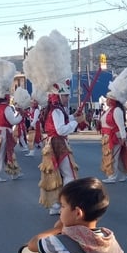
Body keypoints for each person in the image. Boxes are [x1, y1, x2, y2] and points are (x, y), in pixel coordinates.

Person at [38, 86, 83, 215]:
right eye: (65, 96)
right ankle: (64, 203)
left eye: (68, 95)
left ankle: (56, 205)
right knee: (69, 175)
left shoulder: (54, 109)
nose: (67, 98)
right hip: (58, 143)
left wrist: (73, 117)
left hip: (52, 143)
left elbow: (62, 121)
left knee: (59, 176)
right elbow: (61, 130)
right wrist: (76, 122)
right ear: (58, 96)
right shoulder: (56, 111)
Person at [100, 67, 127, 183]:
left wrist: (123, 138)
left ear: (113, 100)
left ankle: (113, 176)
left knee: (113, 156)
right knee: (117, 156)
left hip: (115, 137)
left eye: (108, 98)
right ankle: (125, 172)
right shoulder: (109, 110)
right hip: (107, 136)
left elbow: (121, 126)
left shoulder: (117, 111)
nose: (106, 100)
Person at [0, 94, 23, 182]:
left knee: (4, 153)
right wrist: (21, 116)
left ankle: (14, 173)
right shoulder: (6, 108)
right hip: (4, 133)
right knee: (1, 154)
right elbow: (13, 121)